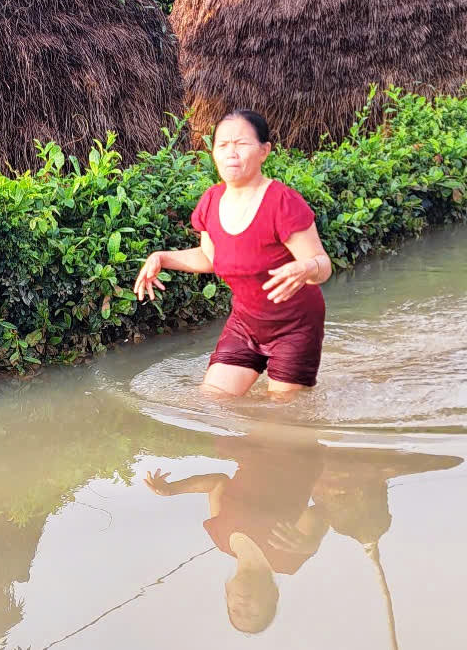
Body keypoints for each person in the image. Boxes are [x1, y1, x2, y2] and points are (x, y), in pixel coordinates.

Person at [134, 110, 333, 395]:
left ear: (264, 151)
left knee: (282, 413)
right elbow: (210, 258)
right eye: (223, 145)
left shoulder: (283, 202)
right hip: (245, 323)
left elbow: (323, 266)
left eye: (241, 144)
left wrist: (307, 268)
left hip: (295, 325)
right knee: (212, 401)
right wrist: (161, 258)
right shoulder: (211, 201)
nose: (231, 153)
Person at [144, 435, 330, 634]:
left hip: (254, 447)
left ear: (227, 593)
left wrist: (172, 489)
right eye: (252, 614)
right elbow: (322, 512)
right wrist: (311, 542)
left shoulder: (221, 539)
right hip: (299, 451)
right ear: (273, 596)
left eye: (235, 611)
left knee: (223, 436)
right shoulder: (287, 561)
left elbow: (217, 483)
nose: (243, 607)